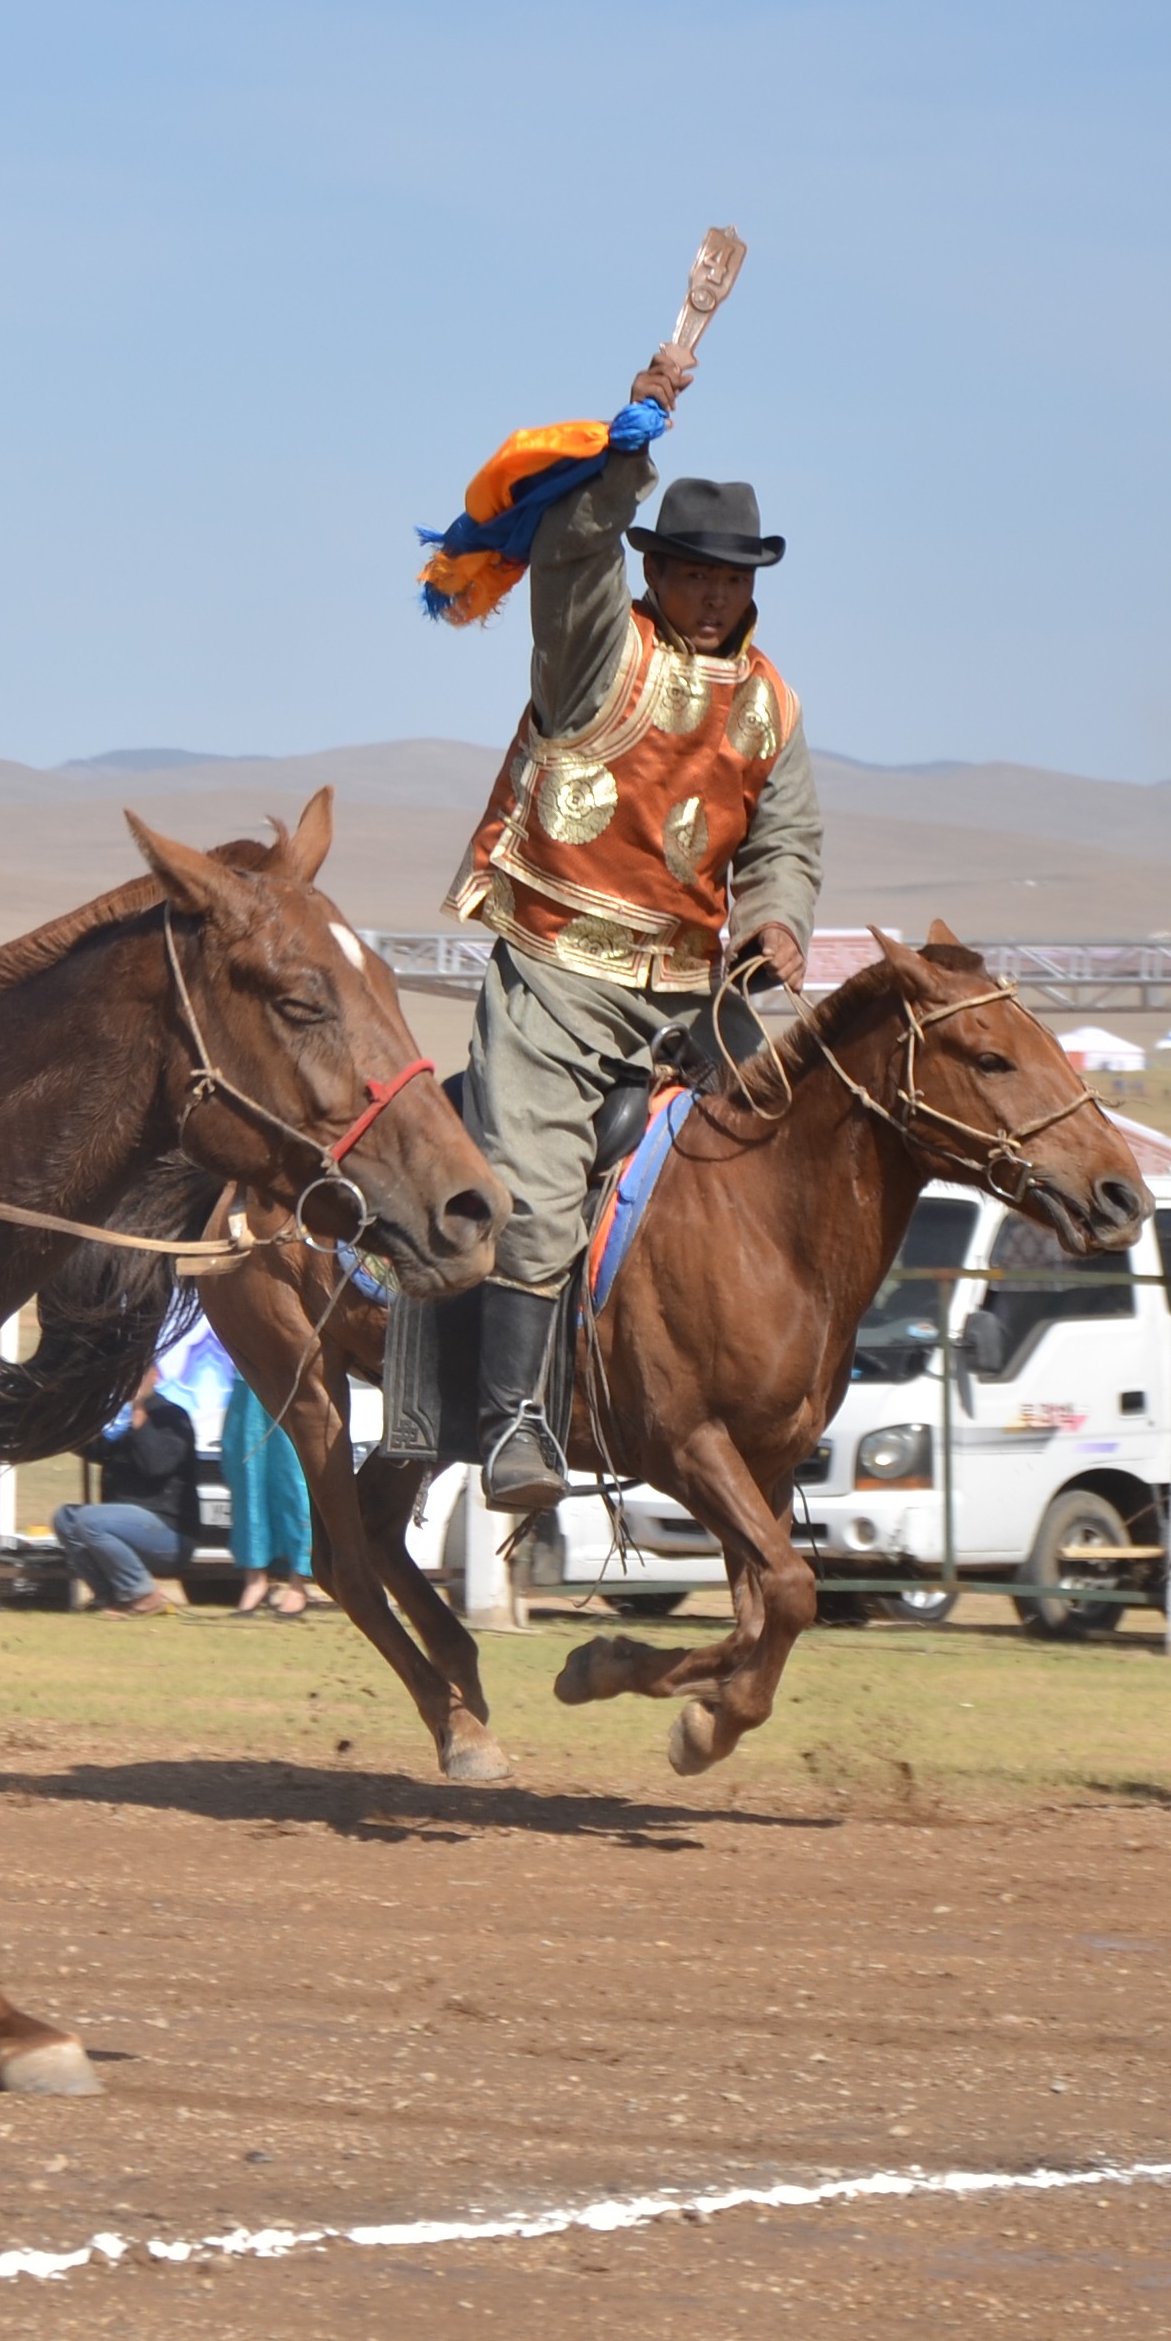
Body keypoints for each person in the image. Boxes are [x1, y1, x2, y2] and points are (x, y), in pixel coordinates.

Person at [417, 330, 823, 1512]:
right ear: (659, 571)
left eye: (730, 575)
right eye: (691, 571)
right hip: (557, 975)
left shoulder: (773, 706)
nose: (710, 592)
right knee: (534, 1191)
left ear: (753, 582)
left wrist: (782, 923)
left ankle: (772, 1389)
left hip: (698, 989)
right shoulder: (598, 647)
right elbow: (574, 549)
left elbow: (786, 843)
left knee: (797, 1148)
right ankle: (510, 1427)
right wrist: (627, 447)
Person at [53, 1388, 206, 1615]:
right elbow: (100, 1451)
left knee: (90, 1520)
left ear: (154, 1377)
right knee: (65, 1517)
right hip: (126, 1528)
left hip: (170, 1534)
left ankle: (143, 1596)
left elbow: (157, 1466)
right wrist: (68, 1425)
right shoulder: (122, 1417)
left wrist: (140, 1421)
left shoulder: (171, 1417)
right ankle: (109, 1596)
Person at [222, 1372, 315, 1618]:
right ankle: (255, 1580)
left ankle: (298, 1583)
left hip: (291, 1378)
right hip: (247, 1379)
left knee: (294, 1481)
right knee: (247, 1476)